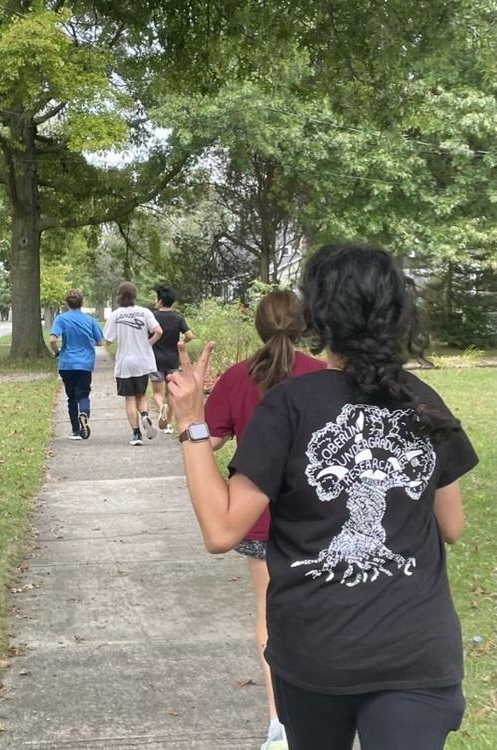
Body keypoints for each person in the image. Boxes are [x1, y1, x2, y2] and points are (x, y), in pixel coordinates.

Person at [167, 244, 478, 750]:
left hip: (315, 652)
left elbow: (223, 530)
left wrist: (190, 424)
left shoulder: (288, 405)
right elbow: (452, 526)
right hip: (418, 653)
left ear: (320, 317)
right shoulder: (425, 403)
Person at [204, 290, 325, 750]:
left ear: (258, 327)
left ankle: (279, 724)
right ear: (302, 326)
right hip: (319, 518)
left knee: (269, 614)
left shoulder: (237, 377)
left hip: (258, 521)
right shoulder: (324, 376)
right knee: (322, 609)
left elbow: (210, 442)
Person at [104, 281, 163, 446]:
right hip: (143, 362)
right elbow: (159, 331)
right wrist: (148, 343)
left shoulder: (116, 315)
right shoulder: (145, 312)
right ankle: (144, 415)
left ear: (119, 296)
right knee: (141, 395)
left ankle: (136, 434)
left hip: (125, 363)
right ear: (134, 296)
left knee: (129, 399)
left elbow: (108, 340)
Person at [49, 289, 105, 440]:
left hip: (67, 363)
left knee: (71, 397)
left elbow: (53, 339)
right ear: (82, 302)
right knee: (84, 394)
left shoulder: (61, 319)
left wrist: (57, 352)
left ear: (67, 303)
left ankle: (75, 430)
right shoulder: (90, 320)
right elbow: (100, 341)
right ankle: (84, 414)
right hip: (85, 363)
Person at [151, 285, 193, 433]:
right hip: (173, 360)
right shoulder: (178, 318)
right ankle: (168, 423)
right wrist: (181, 343)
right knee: (171, 393)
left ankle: (161, 406)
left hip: (155, 360)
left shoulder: (152, 317)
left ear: (161, 301)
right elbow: (189, 335)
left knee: (157, 393)